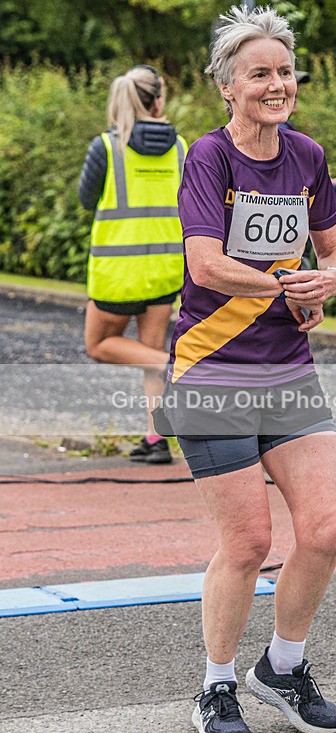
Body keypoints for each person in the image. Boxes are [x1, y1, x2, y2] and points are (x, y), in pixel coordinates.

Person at [160, 5, 336, 733]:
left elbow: (335, 250)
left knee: (327, 530)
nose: (277, 85)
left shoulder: (307, 156)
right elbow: (205, 265)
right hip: (211, 370)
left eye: (285, 71)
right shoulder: (209, 157)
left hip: (288, 371)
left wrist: (330, 280)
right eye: (259, 74)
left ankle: (282, 669)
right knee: (246, 543)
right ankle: (215, 685)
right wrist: (287, 285)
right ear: (227, 87)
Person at [79, 65, 188, 463]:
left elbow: (87, 200)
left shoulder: (106, 148)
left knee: (99, 345)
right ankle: (156, 440)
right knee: (148, 352)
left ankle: (182, 369)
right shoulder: (181, 148)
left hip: (118, 273)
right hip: (165, 268)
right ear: (158, 101)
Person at [280, 70, 336, 204]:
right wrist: (332, 189)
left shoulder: (284, 128)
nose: (296, 92)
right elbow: (290, 182)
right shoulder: (277, 130)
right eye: (287, 86)